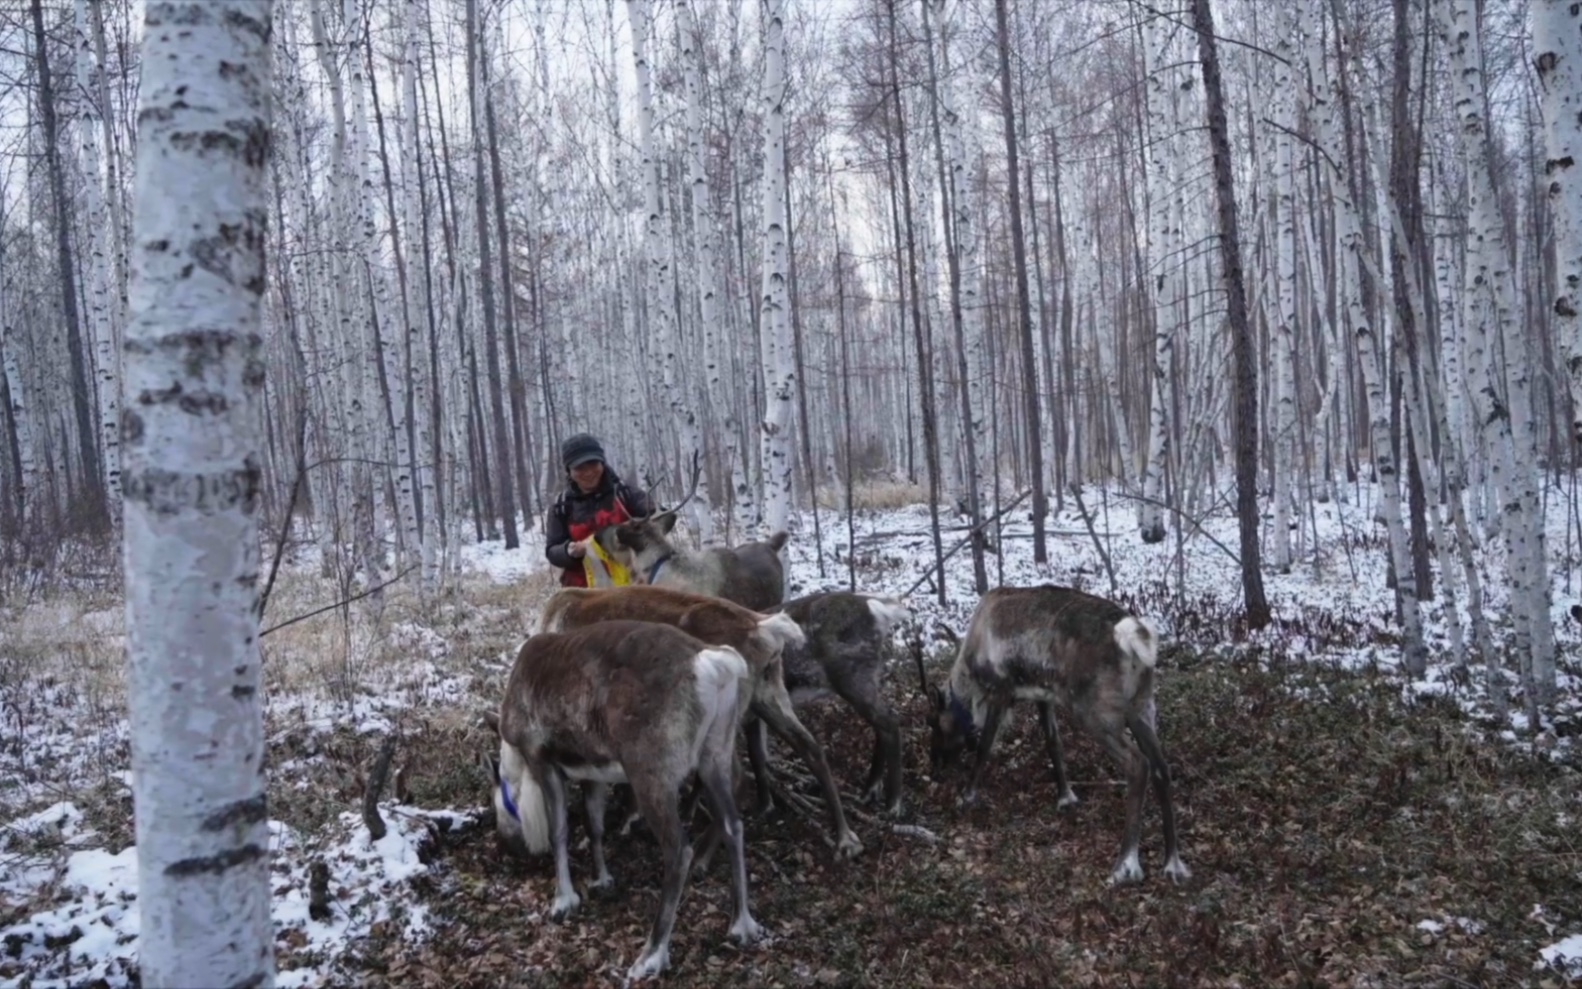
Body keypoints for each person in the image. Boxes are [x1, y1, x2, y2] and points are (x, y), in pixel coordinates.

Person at [545, 433, 653, 587]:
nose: (588, 472)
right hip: (584, 594)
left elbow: (660, 518)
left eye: (593, 464)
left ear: (602, 463)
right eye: (579, 468)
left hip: (633, 587)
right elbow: (552, 551)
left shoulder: (625, 493)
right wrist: (569, 551)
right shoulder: (561, 506)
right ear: (569, 471)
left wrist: (629, 530)